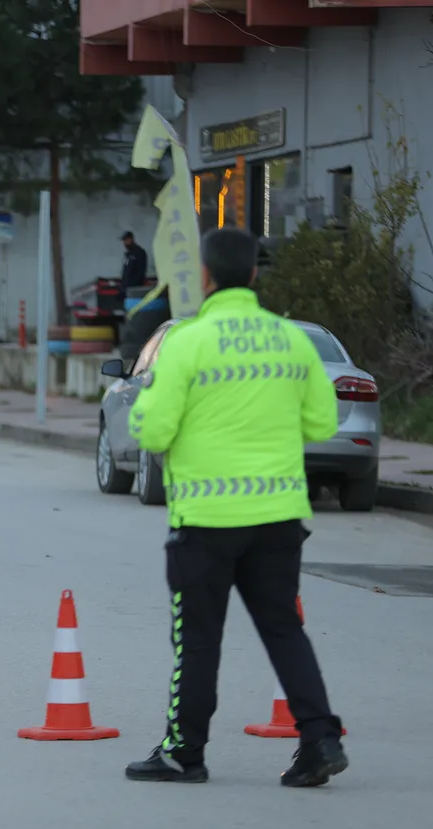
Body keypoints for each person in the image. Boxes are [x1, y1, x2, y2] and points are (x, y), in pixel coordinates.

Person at [123, 226, 347, 788]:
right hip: (278, 517)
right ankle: (320, 740)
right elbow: (323, 422)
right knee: (283, 630)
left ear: (204, 277)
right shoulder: (291, 341)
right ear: (252, 275)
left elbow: (151, 429)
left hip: (207, 521)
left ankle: (185, 753)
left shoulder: (188, 342)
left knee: (198, 640)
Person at [120, 231, 148, 295]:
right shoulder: (128, 254)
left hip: (135, 288)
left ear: (131, 239)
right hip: (126, 288)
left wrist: (134, 285)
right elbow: (126, 271)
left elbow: (141, 271)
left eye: (126, 240)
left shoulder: (139, 252)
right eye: (124, 241)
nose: (124, 243)